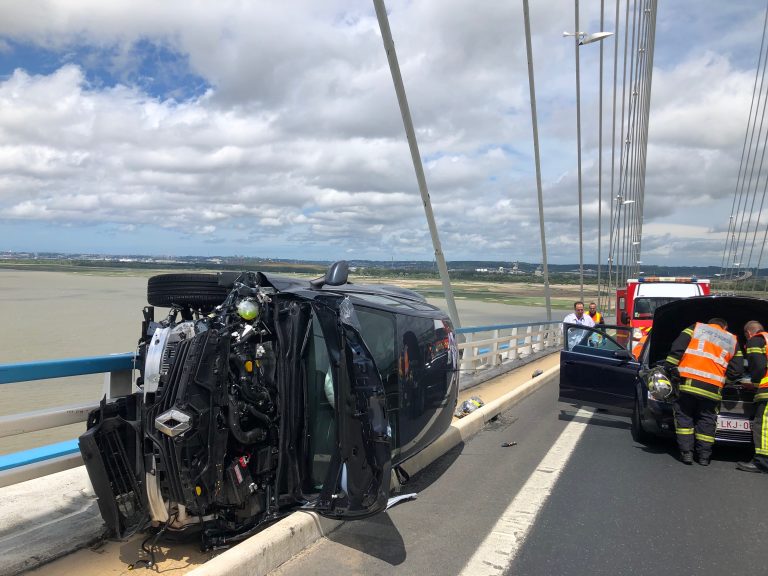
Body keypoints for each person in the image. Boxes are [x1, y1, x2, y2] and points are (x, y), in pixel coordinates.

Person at [664, 318, 743, 466]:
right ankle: (704, 457)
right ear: (725, 327)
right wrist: (725, 380)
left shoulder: (696, 328)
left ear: (709, 323)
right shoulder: (732, 340)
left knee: (684, 416)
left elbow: (677, 348)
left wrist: (670, 367)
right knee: (707, 420)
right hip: (713, 389)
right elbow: (737, 370)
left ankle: (687, 453)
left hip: (688, 384)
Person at [736, 320, 768, 474]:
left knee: (762, 426)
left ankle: (761, 462)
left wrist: (753, 382)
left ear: (748, 333)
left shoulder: (755, 340)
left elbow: (759, 367)